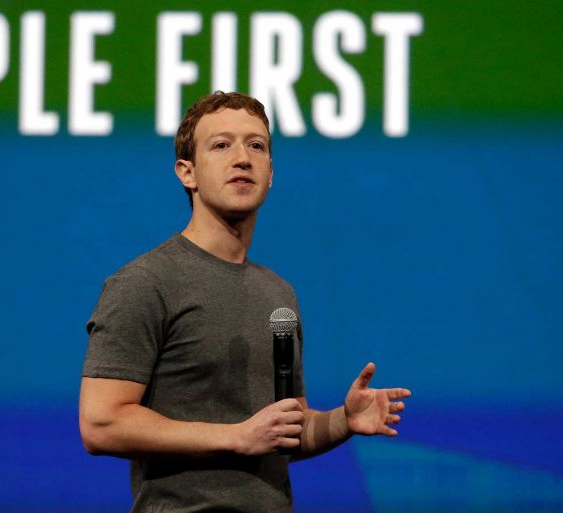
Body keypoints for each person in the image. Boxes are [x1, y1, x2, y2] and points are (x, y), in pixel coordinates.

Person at [79, 91, 411, 513]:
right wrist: (237, 437)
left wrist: (343, 421)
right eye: (221, 145)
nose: (243, 158)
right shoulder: (144, 283)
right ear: (187, 173)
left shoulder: (278, 295)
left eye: (256, 145)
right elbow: (101, 423)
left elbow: (284, 433)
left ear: (270, 173)